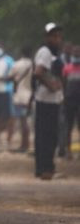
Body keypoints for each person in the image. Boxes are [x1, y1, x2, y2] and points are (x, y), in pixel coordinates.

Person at [33, 23, 64, 179]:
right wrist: (51, 85)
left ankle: (47, 168)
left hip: (52, 100)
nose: (57, 39)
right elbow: (38, 72)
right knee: (47, 135)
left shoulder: (54, 53)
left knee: (50, 135)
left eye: (58, 36)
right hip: (45, 100)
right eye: (54, 36)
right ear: (47, 37)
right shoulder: (45, 52)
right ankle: (44, 168)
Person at [8, 47, 34, 152]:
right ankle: (25, 144)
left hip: (19, 96)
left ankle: (24, 145)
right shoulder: (34, 65)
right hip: (30, 96)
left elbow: (10, 77)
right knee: (27, 121)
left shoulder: (16, 64)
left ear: (22, 53)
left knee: (23, 121)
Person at [61, 44, 80, 159]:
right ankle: (68, 151)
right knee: (69, 126)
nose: (77, 54)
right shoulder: (67, 68)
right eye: (75, 53)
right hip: (69, 100)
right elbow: (63, 84)